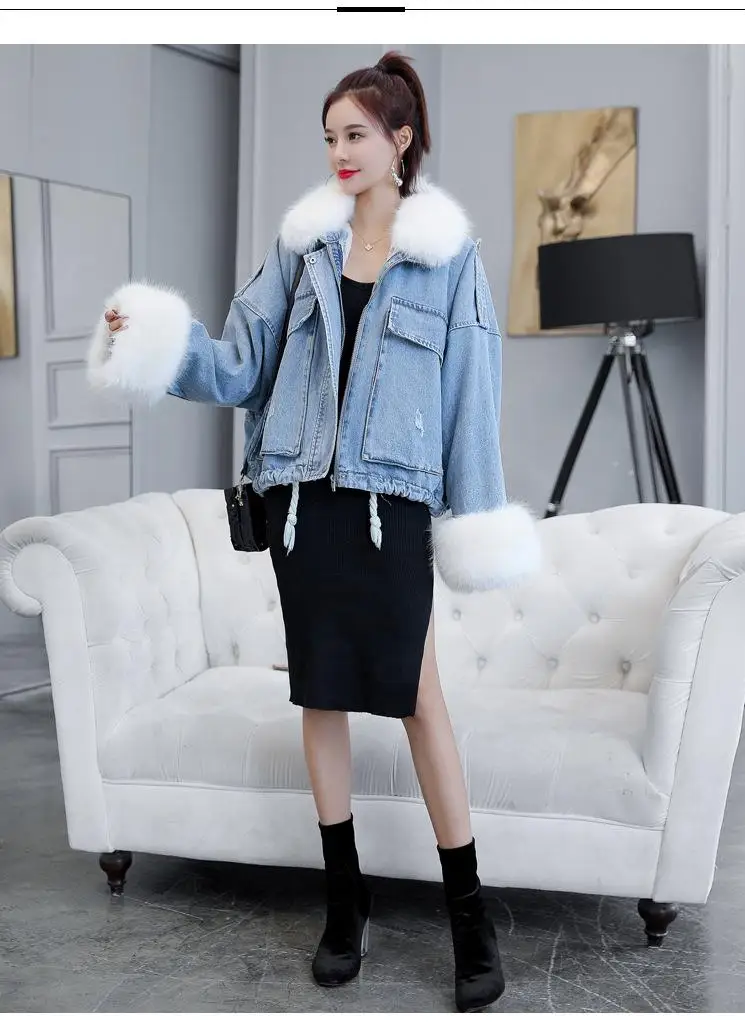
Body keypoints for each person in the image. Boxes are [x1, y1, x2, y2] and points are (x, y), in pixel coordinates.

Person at [87, 49, 542, 1013]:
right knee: (321, 696)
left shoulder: (449, 258)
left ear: (401, 139)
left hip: (392, 505)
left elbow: (471, 399)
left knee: (420, 699)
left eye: (357, 134)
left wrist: (474, 520)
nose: (340, 150)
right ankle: (346, 902)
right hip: (304, 505)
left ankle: (469, 915)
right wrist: (154, 341)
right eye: (330, 135)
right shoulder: (302, 250)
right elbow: (241, 365)